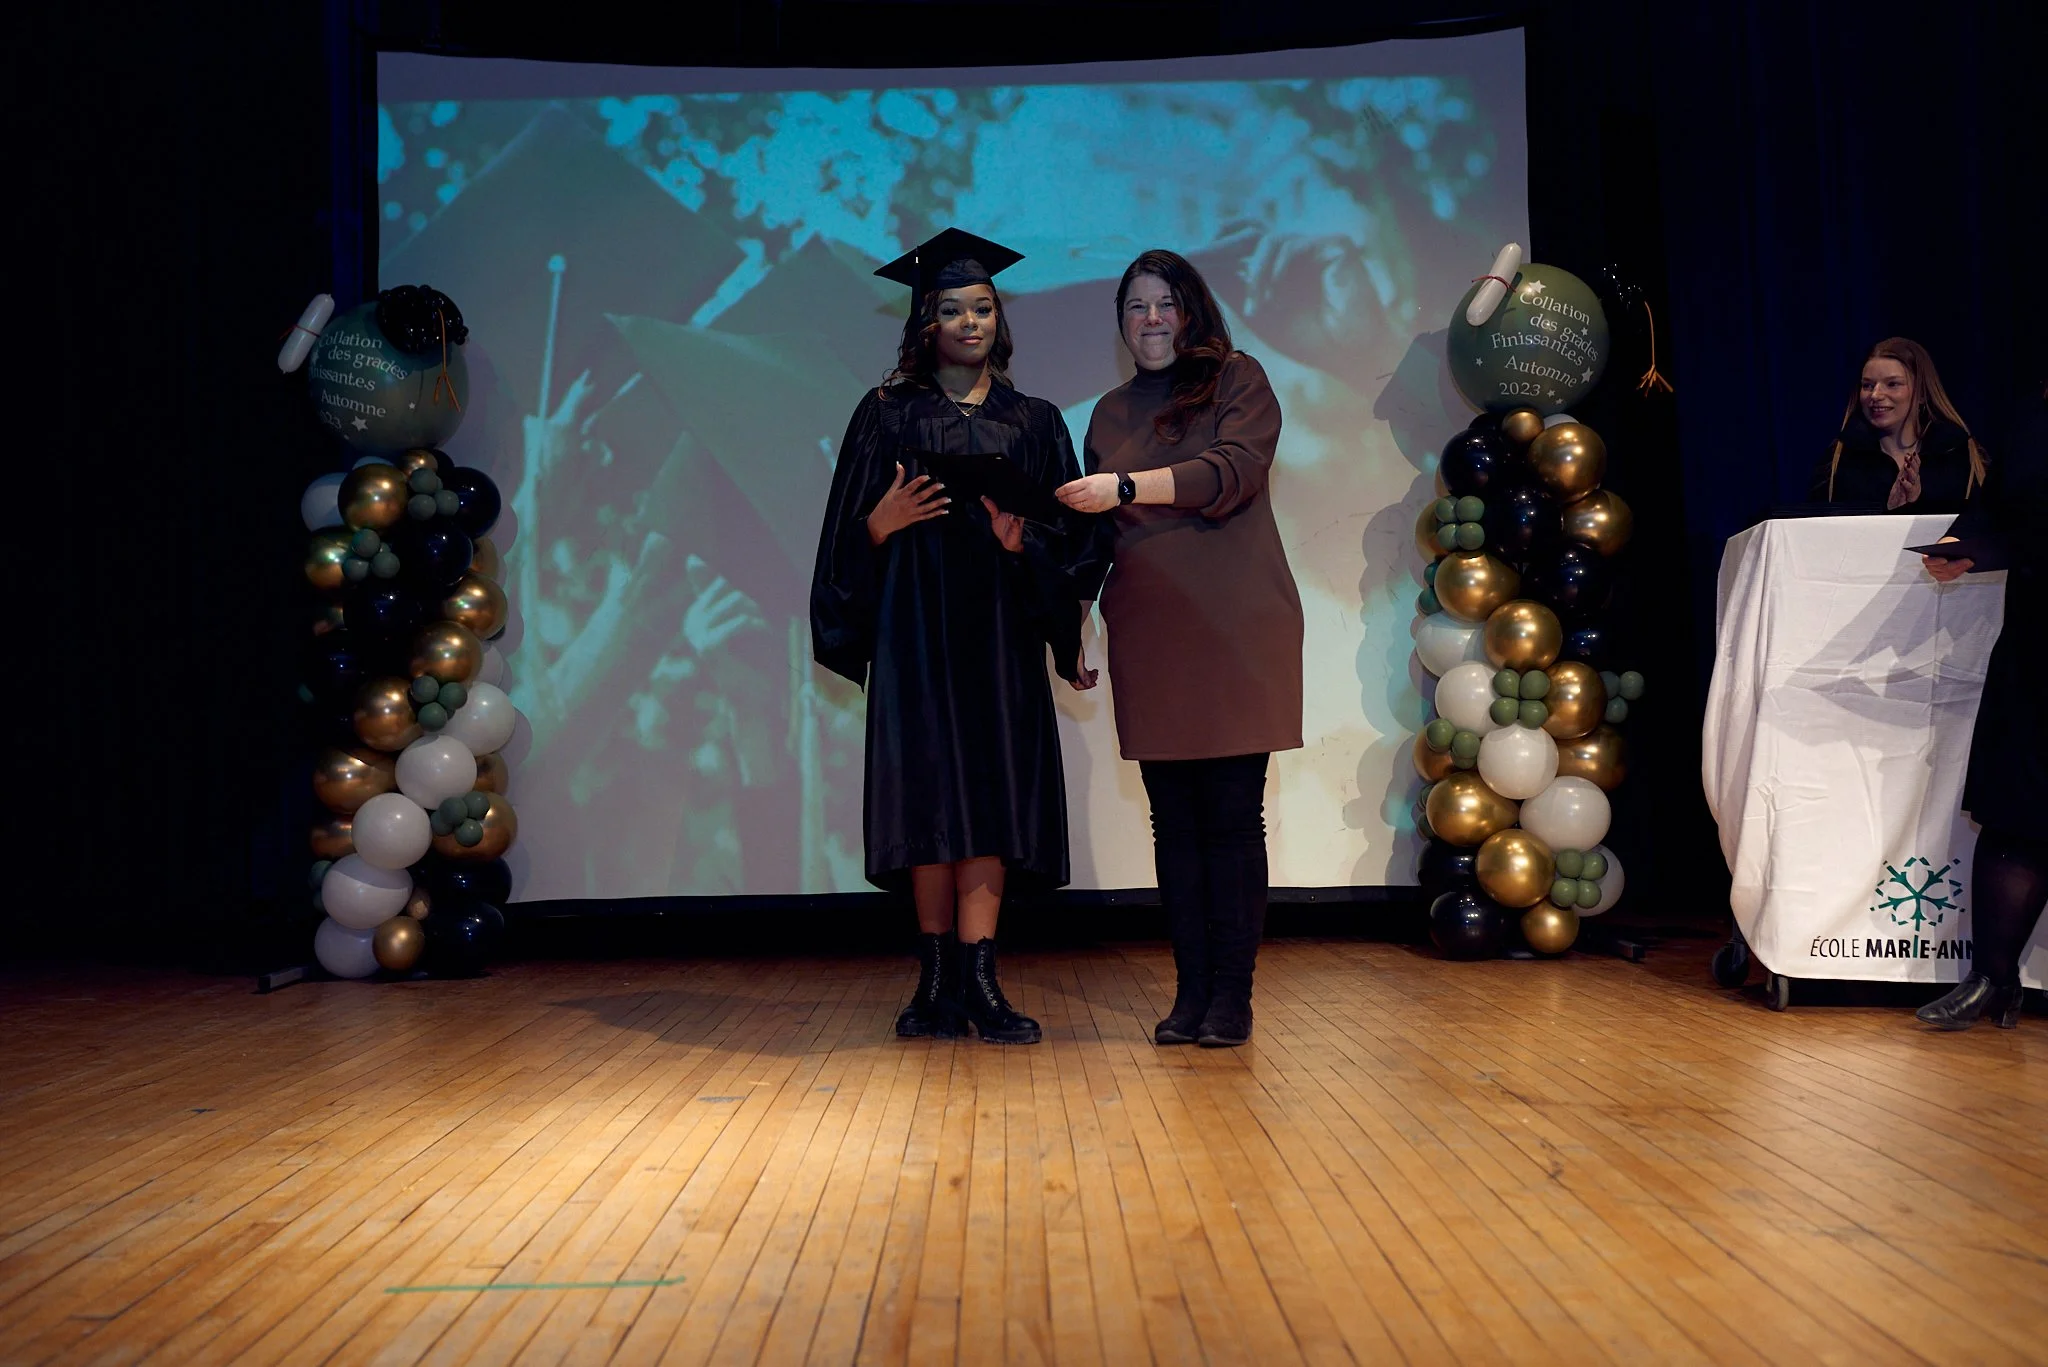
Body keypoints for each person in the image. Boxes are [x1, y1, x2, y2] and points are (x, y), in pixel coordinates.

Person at [811, 228, 1100, 1045]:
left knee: (993, 799)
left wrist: (1024, 546)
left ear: (998, 319)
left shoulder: (1035, 422)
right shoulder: (885, 415)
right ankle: (933, 979)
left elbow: (1070, 542)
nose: (969, 321)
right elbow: (840, 540)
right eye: (951, 309)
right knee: (928, 798)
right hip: (914, 635)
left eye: (982, 307)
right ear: (925, 323)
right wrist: (880, 523)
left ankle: (981, 978)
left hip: (1000, 636)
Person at [1055, 249, 1304, 1048]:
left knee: (1232, 819)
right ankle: (1190, 992)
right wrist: (1074, 618)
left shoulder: (1239, 379)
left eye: (1166, 303)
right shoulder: (1107, 413)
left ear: (1191, 310)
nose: (1152, 319)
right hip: (1150, 634)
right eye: (1136, 307)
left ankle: (1232, 997)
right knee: (1173, 824)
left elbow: (1231, 472)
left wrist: (1128, 487)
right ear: (1122, 323)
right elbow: (1090, 538)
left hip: (1236, 629)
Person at [1916, 382, 2046, 1029]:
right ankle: (1993, 977)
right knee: (2016, 805)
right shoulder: (2036, 416)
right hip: (2036, 641)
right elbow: (2004, 502)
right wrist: (1965, 544)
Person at [1811, 337, 1985, 512]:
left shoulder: (1958, 454)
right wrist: (1887, 511)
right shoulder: (1838, 460)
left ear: (1922, 393)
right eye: (1867, 385)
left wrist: (1917, 504)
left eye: (1892, 384)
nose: (1875, 395)